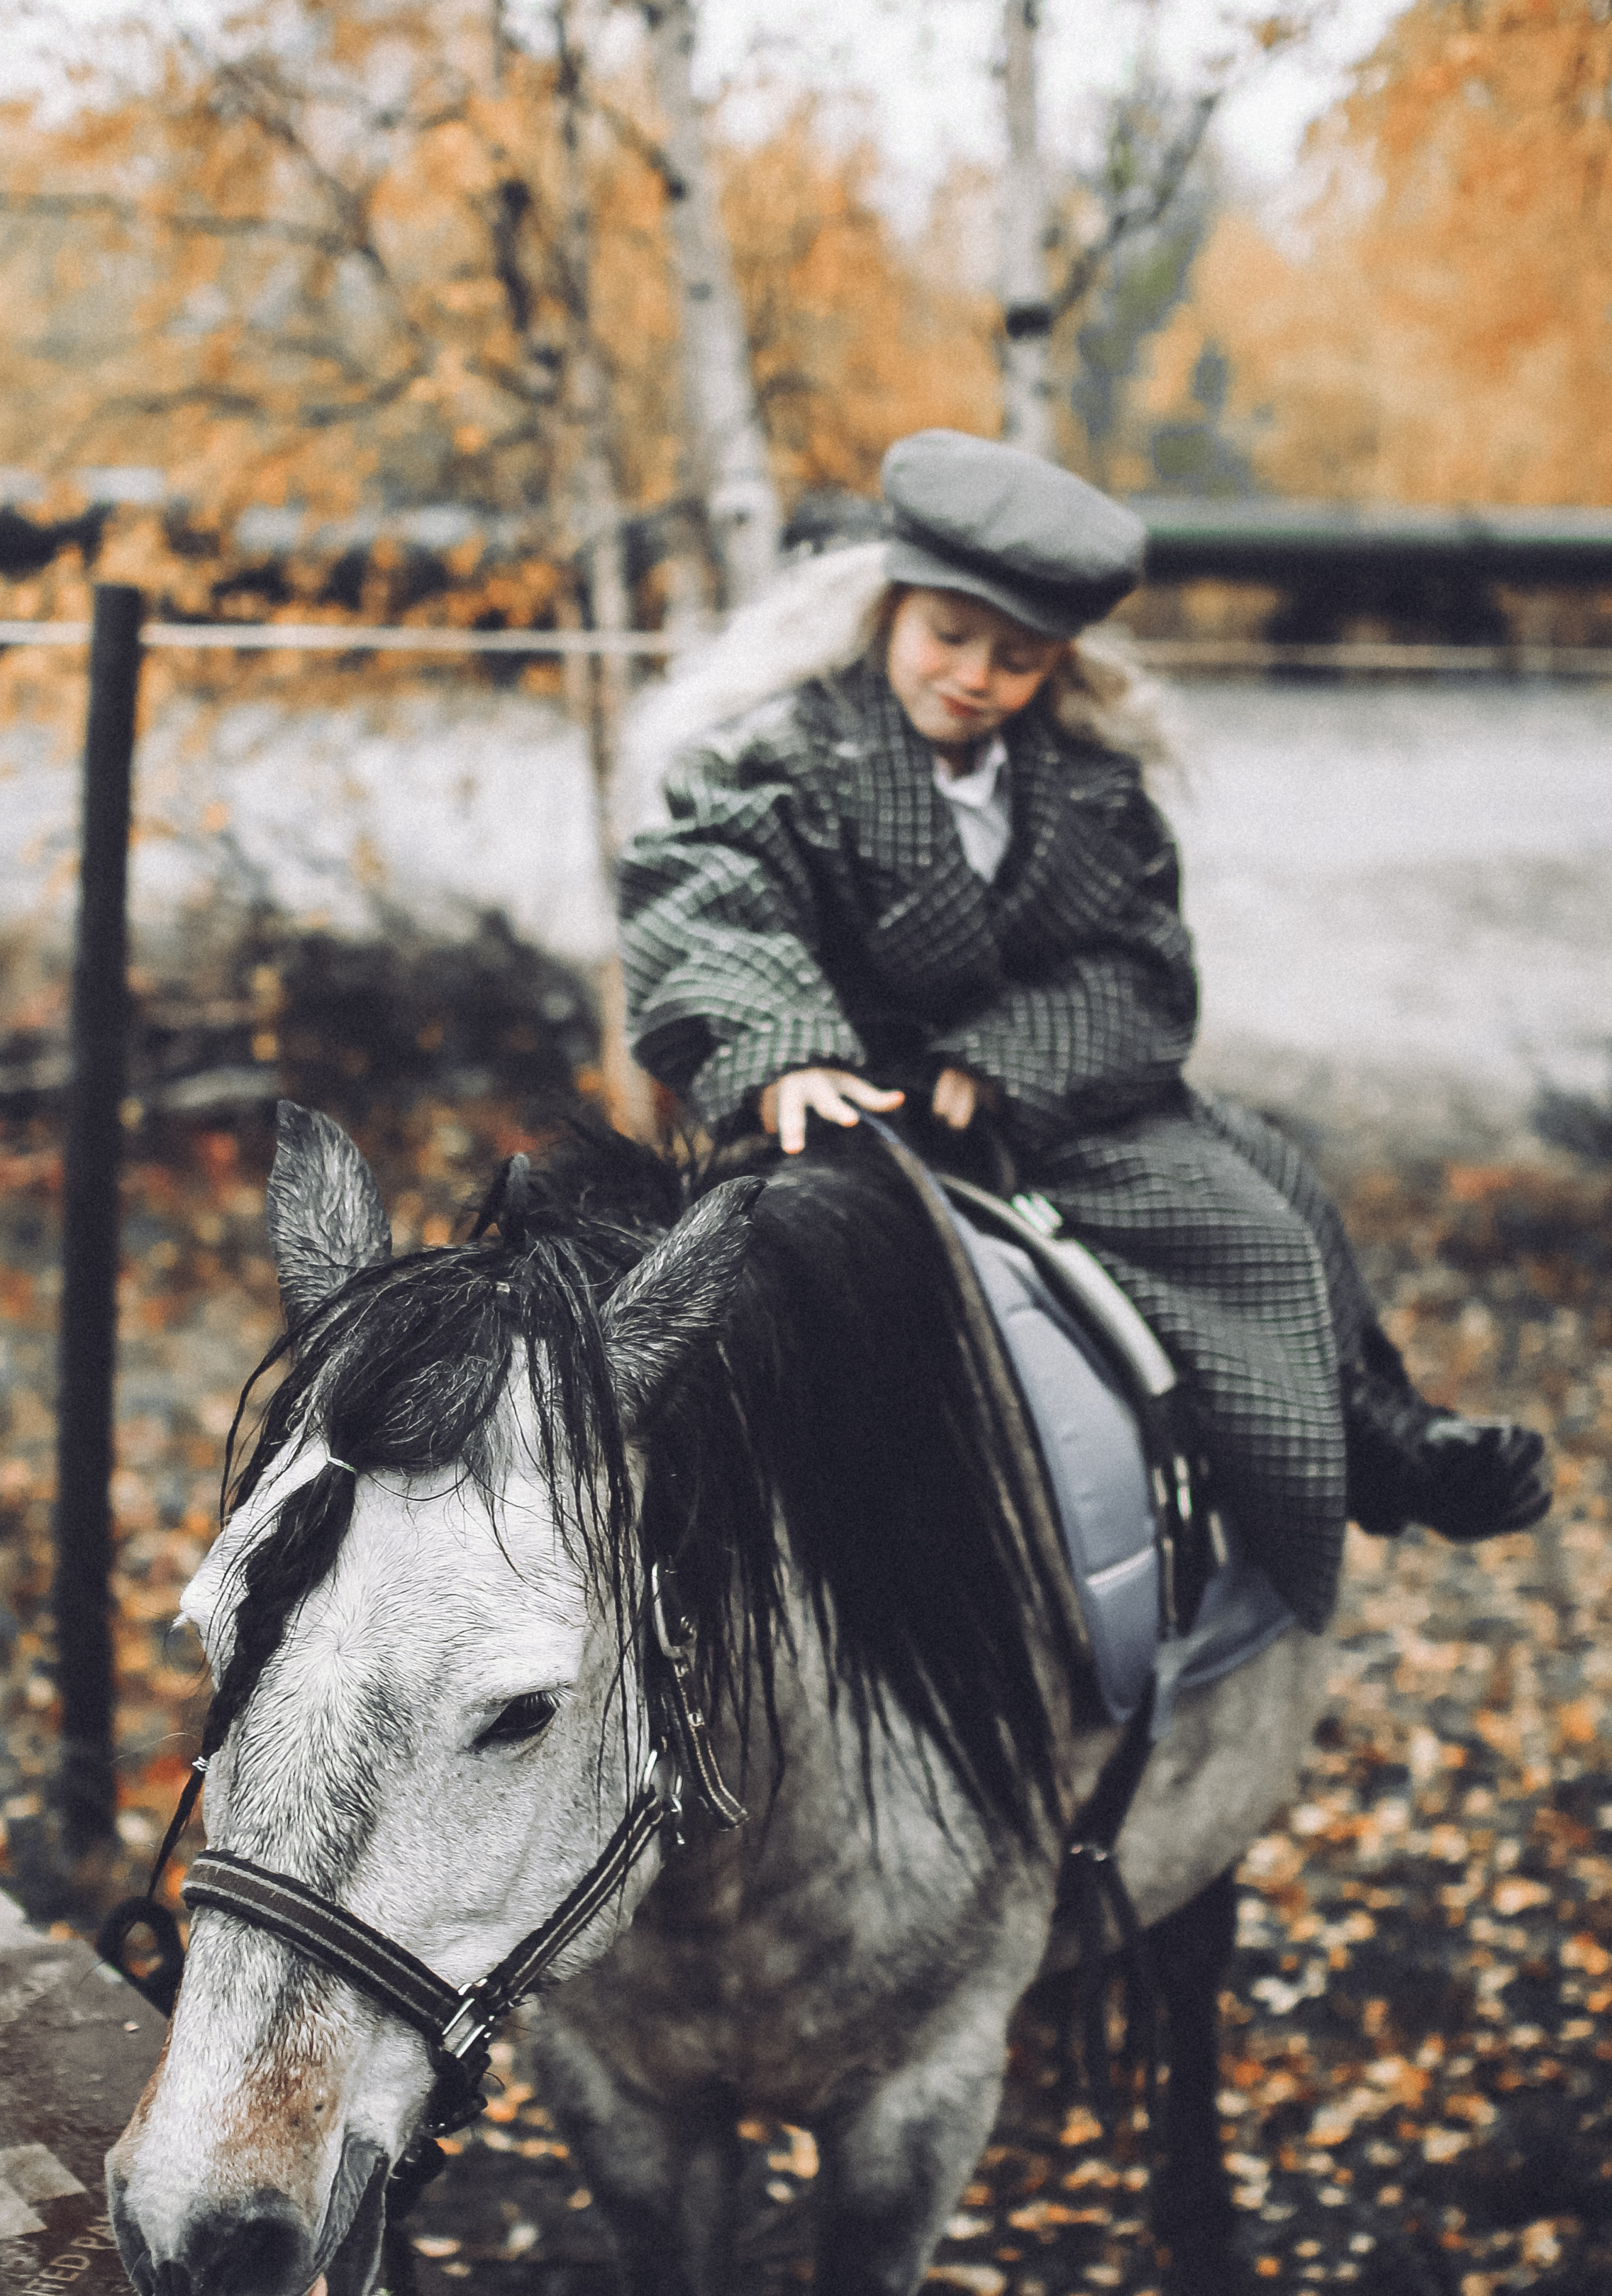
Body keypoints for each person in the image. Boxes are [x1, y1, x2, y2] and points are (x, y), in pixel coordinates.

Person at [616, 428, 1547, 1635]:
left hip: (1042, 1108)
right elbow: (703, 889)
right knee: (762, 1327)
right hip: (848, 1118)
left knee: (1262, 1210)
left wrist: (1007, 1059)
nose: (973, 676)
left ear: (1057, 662)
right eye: (949, 636)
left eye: (1017, 658)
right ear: (889, 605)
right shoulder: (781, 755)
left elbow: (1143, 964)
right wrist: (782, 1043)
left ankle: (1370, 1435)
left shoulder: (1087, 781)